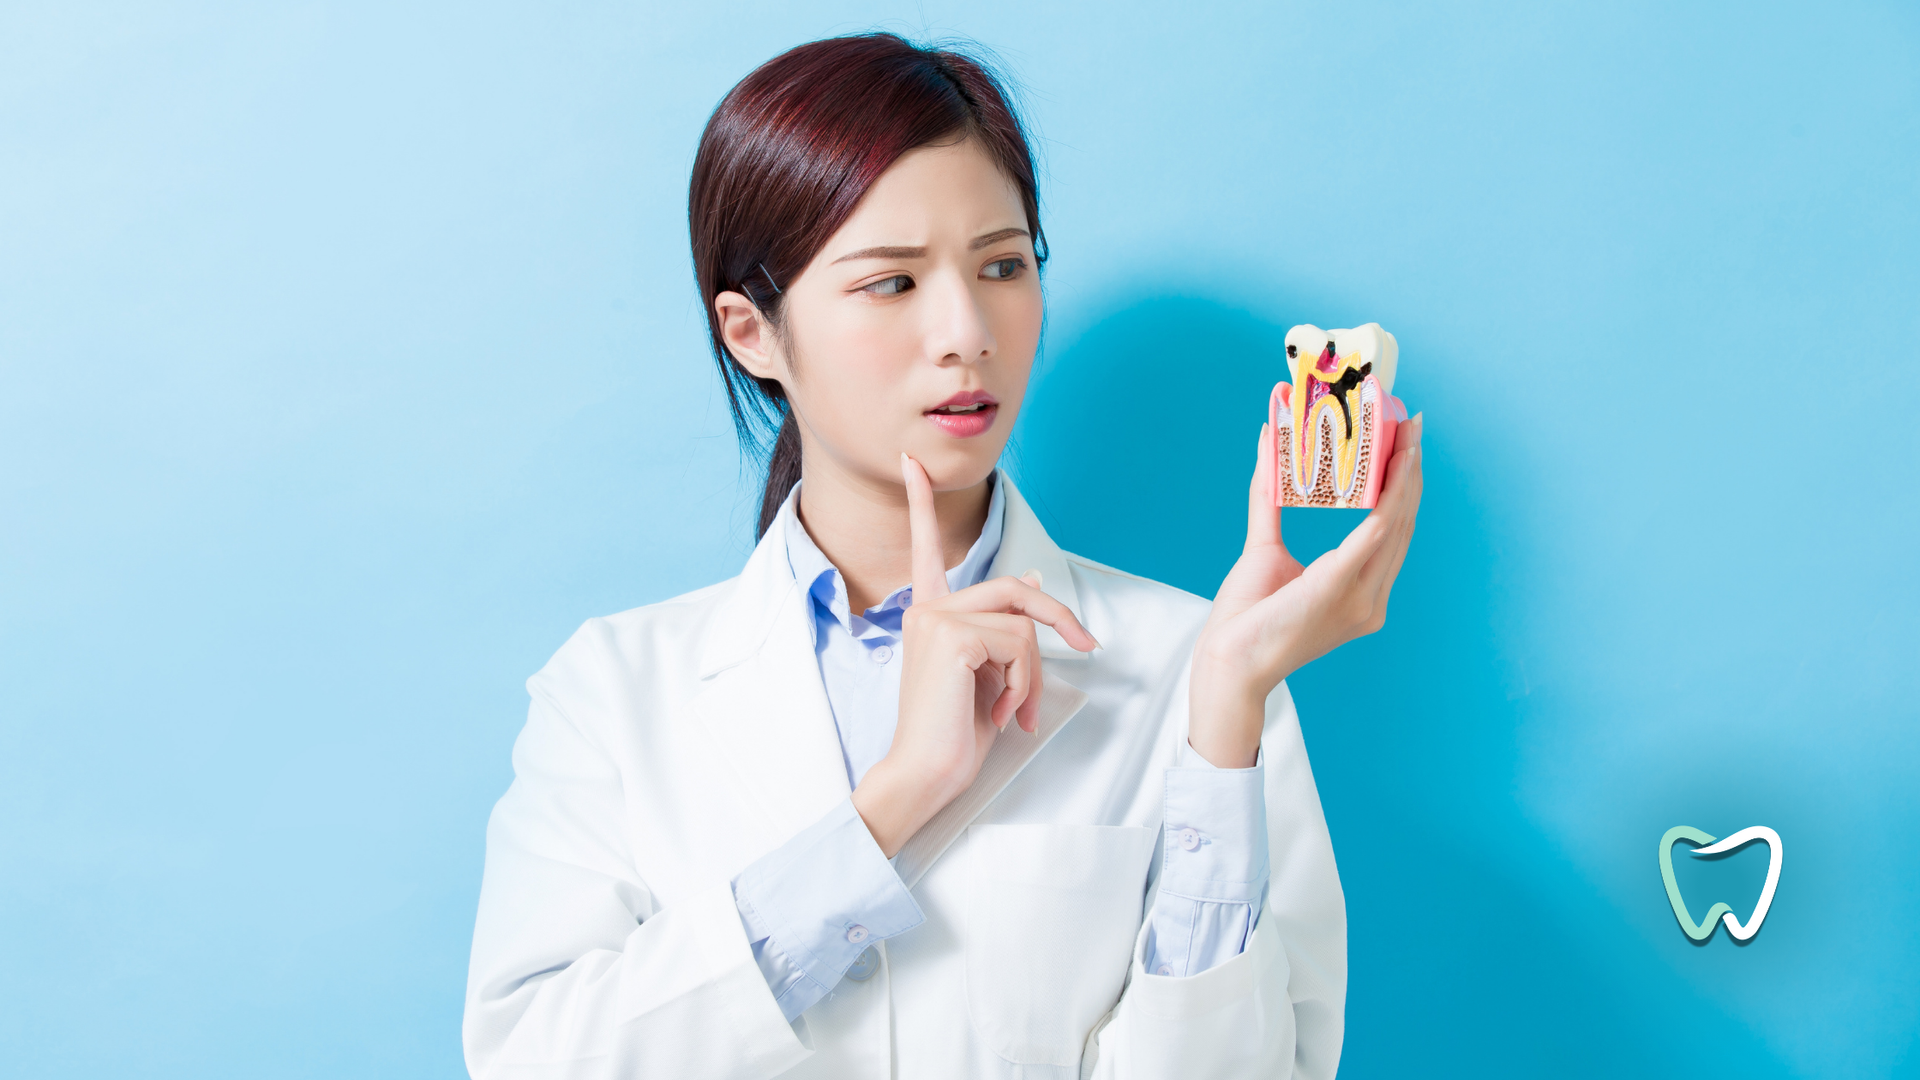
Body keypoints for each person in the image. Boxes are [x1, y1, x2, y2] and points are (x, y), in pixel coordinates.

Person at [463, 32, 1422, 1080]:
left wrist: (1228, 706)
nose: (967, 330)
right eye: (892, 283)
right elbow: (533, 1062)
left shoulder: (1202, 667)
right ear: (752, 333)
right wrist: (898, 800)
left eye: (1003, 265)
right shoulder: (610, 694)